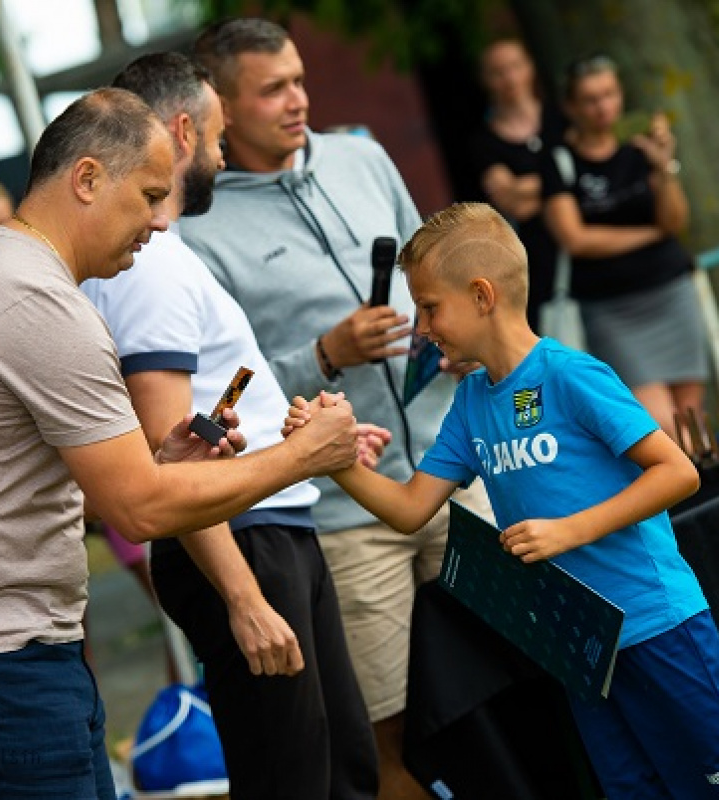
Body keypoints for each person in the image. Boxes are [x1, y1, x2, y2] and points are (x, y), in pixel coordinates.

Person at [0, 86, 361, 800]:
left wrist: (157, 466)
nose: (159, 222)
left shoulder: (17, 281)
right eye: (150, 195)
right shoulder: (34, 301)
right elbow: (140, 513)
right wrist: (305, 456)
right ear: (87, 179)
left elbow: (62, 487)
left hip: (5, 658)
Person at [286, 201, 719, 800]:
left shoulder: (571, 374)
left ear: (483, 295)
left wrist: (571, 530)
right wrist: (332, 460)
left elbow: (678, 473)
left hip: (660, 625)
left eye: (431, 307)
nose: (424, 327)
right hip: (581, 651)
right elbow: (412, 508)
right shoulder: (470, 402)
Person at [183, 17, 494, 799]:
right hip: (347, 521)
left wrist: (447, 329)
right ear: (220, 106)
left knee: (518, 693)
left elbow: (442, 270)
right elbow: (225, 391)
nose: (299, 100)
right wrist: (322, 355)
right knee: (387, 740)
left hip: (460, 476)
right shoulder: (195, 232)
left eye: (299, 79)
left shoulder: (362, 154)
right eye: (274, 89)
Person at [82, 52, 381, 800]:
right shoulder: (147, 266)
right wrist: (245, 599)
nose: (221, 153)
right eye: (217, 135)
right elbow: (171, 460)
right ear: (184, 131)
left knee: (340, 771)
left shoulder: (171, 257)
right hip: (244, 545)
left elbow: (218, 403)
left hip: (272, 529)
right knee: (292, 779)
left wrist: (302, 436)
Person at [540, 54, 706, 439]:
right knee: (659, 423)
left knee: (693, 422)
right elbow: (575, 239)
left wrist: (664, 168)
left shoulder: (639, 150)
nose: (603, 107)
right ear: (571, 107)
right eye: (591, 99)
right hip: (612, 309)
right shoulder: (559, 163)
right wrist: (651, 235)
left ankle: (702, 494)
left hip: (670, 292)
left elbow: (676, 221)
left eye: (610, 94)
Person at [471, 38, 568, 332]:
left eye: (515, 67)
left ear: (530, 68)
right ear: (486, 80)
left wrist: (525, 185)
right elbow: (513, 204)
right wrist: (563, 183)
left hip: (585, 252)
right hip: (538, 264)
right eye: (499, 71)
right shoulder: (483, 143)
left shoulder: (562, 119)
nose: (510, 78)